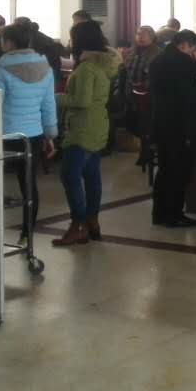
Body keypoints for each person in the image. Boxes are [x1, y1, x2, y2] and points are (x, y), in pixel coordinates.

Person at [52, 21, 121, 246]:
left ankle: (78, 224)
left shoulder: (86, 68)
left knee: (70, 176)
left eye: (72, 38)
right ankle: (92, 221)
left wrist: (56, 98)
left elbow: (81, 101)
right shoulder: (102, 65)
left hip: (82, 127)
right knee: (91, 176)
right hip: (98, 123)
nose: (69, 42)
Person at [0, 23, 57, 245]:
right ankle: (27, 235)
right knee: (28, 186)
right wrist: (50, 133)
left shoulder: (1, 70)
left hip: (5, 136)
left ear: (8, 42)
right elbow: (49, 104)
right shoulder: (46, 69)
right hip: (32, 136)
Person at [148, 29, 196, 228]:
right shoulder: (183, 61)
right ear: (185, 45)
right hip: (182, 126)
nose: (193, 53)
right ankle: (174, 215)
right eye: (192, 49)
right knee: (180, 172)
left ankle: (160, 214)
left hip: (162, 123)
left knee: (165, 171)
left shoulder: (157, 60)